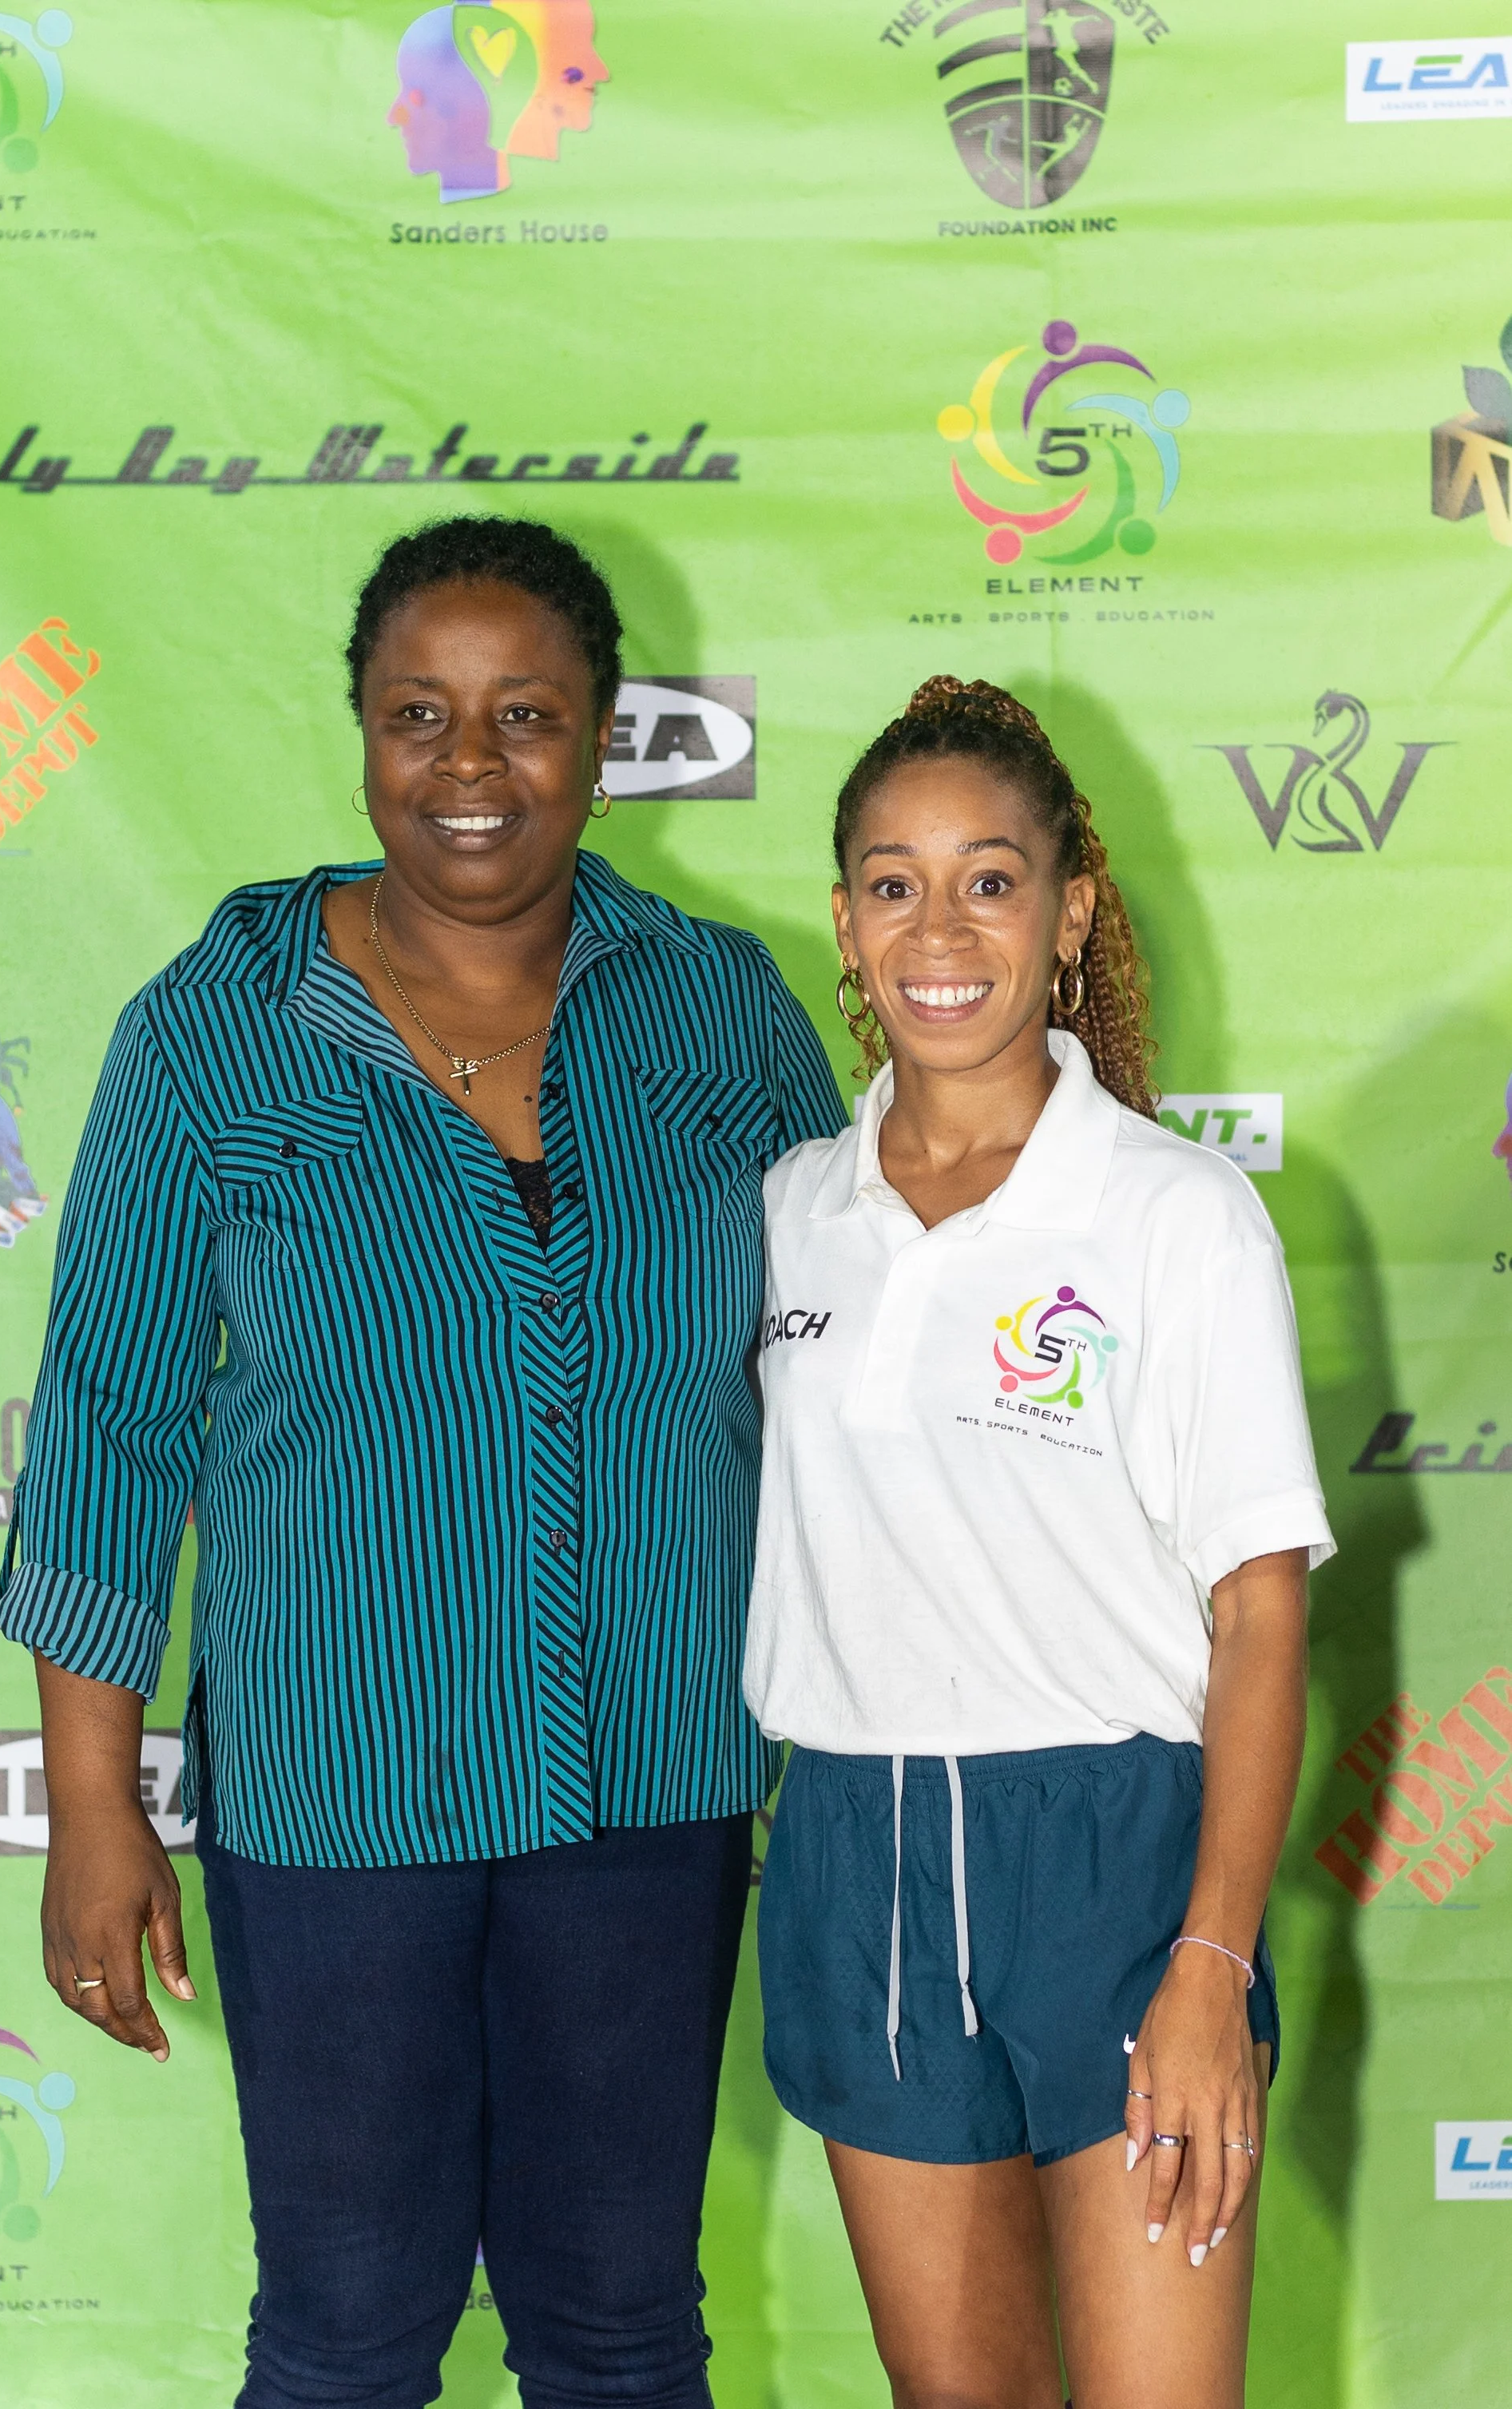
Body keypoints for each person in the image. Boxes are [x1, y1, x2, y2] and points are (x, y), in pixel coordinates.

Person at [0, 516, 846, 2409]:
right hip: (338, 1794)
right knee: (348, 2328)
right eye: (420, 715)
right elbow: (115, 1426)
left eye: (526, 715)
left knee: (622, 2321)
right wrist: (89, 1803)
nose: (470, 765)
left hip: (652, 1771)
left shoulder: (722, 1013)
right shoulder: (212, 1030)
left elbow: (856, 1368)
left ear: (608, 735)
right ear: (364, 734)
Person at [743, 677, 1333, 2409]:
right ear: (846, 919)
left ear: (1069, 911)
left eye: (991, 879)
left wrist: (1212, 1963)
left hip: (1122, 1861)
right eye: (894, 880)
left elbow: (1263, 1618)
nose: (942, 928)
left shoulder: (1176, 1216)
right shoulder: (787, 1212)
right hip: (857, 1852)